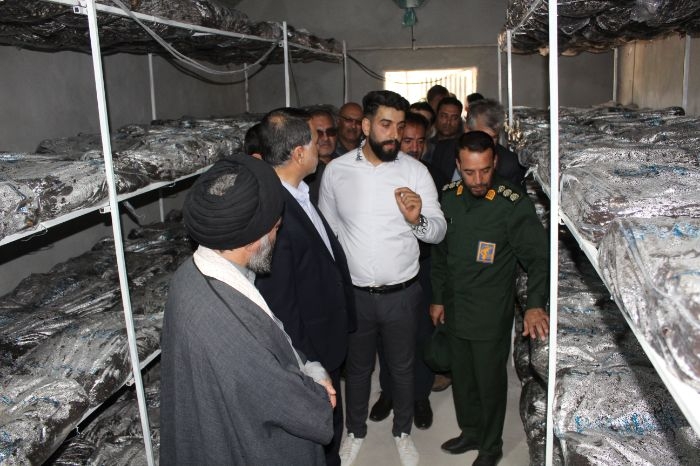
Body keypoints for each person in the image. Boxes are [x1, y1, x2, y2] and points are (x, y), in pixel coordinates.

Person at [160, 155, 335, 465]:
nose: (277, 236)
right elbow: (289, 404)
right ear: (254, 239)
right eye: (276, 228)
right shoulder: (226, 321)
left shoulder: (188, 275)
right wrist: (318, 390)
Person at [319, 90, 447, 466]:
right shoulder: (337, 171)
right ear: (365, 125)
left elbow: (438, 231)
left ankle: (402, 432)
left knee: (403, 367)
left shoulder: (415, 172)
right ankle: (355, 432)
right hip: (356, 295)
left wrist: (417, 220)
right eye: (386, 125)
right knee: (358, 370)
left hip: (403, 294)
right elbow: (329, 232)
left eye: (400, 126)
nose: (395, 135)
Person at [430, 131, 549, 466]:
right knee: (462, 376)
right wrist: (437, 298)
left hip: (489, 311)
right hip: (455, 305)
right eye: (469, 172)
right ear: (458, 165)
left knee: (489, 382)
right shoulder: (449, 197)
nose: (478, 179)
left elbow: (538, 257)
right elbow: (440, 254)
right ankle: (470, 431)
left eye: (485, 170)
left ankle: (490, 445)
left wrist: (535, 304)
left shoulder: (512, 203)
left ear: (495, 161)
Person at [255, 107, 356, 466]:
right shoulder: (275, 211)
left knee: (331, 424)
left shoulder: (300, 193)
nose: (322, 146)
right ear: (299, 153)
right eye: (314, 141)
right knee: (318, 432)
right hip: (310, 349)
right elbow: (280, 301)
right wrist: (306, 360)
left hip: (325, 336)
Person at [368, 111, 443, 431]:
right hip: (391, 269)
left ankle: (420, 396)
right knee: (387, 334)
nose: (414, 147)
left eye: (419, 141)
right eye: (407, 140)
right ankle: (389, 392)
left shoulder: (432, 175)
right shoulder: (378, 173)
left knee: (422, 334)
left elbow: (443, 232)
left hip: (424, 267)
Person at [466, 98, 526, 187]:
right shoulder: (446, 152)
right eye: (484, 137)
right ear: (467, 130)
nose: (488, 144)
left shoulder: (510, 166)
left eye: (494, 137)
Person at [304, 107, 338, 205]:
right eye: (318, 133)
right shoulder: (302, 172)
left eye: (330, 132)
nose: (326, 138)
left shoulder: (346, 163)